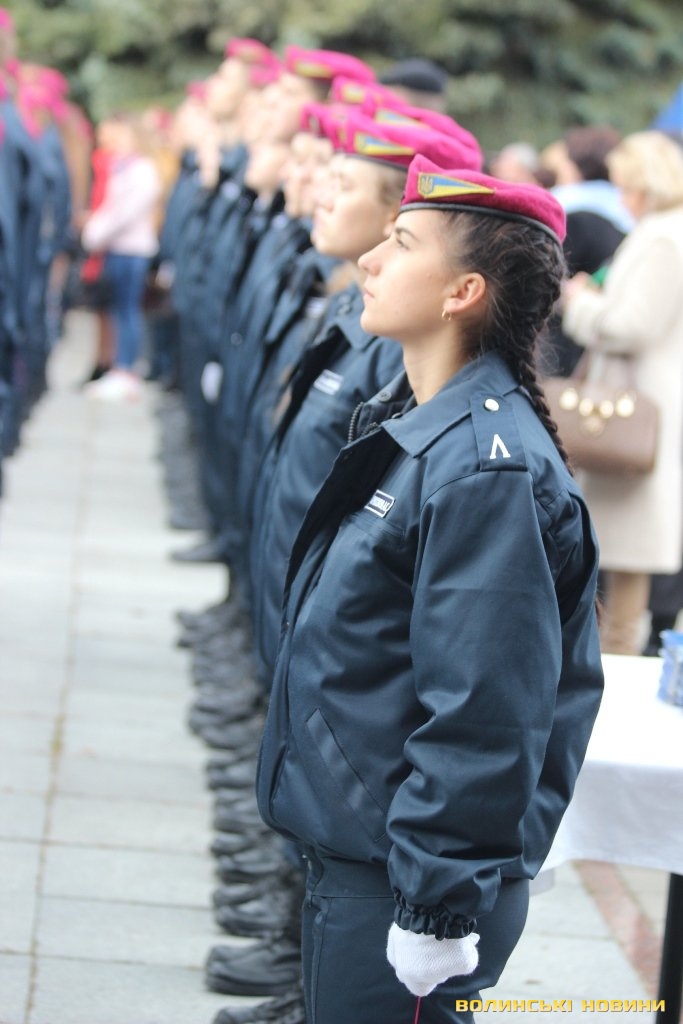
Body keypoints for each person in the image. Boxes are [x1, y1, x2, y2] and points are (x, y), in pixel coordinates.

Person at [255, 156, 604, 1023]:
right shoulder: (421, 424)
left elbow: (484, 709)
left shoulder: (485, 468)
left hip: (406, 882)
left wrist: (435, 903)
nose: (372, 259)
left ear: (462, 293)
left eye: (403, 243)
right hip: (369, 856)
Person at [561, 130, 683, 655]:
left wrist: (580, 304)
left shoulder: (663, 239)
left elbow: (633, 325)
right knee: (621, 557)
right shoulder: (663, 233)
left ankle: (618, 671)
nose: (622, 198)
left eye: (627, 187)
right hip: (636, 405)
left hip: (633, 408)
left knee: (627, 565)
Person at [81, 112, 161, 400]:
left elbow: (123, 213)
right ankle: (119, 366)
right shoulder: (125, 167)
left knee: (127, 312)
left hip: (131, 250)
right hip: (118, 249)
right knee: (118, 311)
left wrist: (94, 232)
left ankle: (126, 369)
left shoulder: (142, 170)